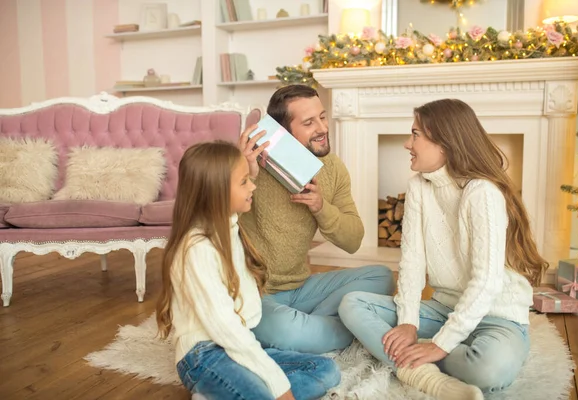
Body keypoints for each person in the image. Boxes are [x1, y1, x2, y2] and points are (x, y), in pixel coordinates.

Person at [338, 98, 548, 400]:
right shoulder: (418, 187)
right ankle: (429, 379)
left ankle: (418, 352)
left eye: (415, 134)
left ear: (444, 142)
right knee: (353, 304)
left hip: (496, 316)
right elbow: (411, 262)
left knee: (486, 371)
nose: (407, 143)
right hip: (442, 308)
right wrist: (408, 322)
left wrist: (439, 345)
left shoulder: (482, 193)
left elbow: (486, 282)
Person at [155, 140, 340, 400]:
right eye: (244, 182)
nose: (253, 185)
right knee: (267, 392)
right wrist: (279, 386)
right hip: (203, 356)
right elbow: (225, 328)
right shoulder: (196, 250)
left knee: (325, 369)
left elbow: (233, 204)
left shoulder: (227, 227)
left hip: (236, 344)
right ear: (216, 192)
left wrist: (247, 170)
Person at [239, 84, 395, 354]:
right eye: (309, 122)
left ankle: (311, 330)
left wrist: (321, 207)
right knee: (285, 329)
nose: (322, 128)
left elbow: (354, 239)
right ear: (283, 134)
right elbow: (214, 224)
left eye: (323, 117)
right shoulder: (250, 165)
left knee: (382, 277)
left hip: (301, 288)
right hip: (256, 293)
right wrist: (247, 174)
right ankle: (348, 327)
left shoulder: (332, 168)